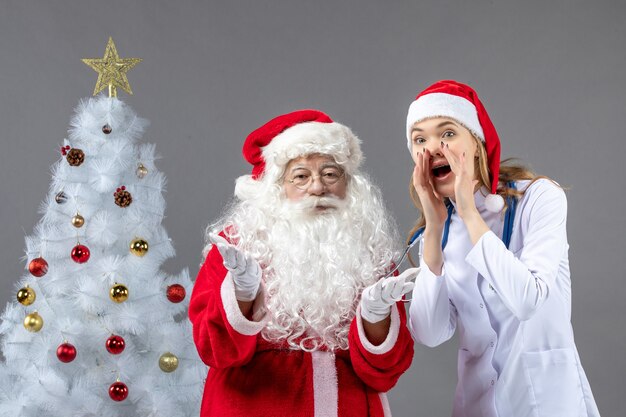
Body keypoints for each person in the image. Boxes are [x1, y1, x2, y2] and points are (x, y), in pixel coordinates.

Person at [189, 109, 416, 417]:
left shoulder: (371, 252)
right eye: (301, 176)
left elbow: (386, 372)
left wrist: (375, 319)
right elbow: (213, 351)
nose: (318, 187)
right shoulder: (235, 248)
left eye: (330, 174)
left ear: (349, 183)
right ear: (276, 186)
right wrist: (242, 296)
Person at [405, 80, 600, 416]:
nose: (434, 147)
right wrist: (434, 229)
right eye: (420, 139)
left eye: (447, 133)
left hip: (547, 401)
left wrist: (468, 212)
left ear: (477, 144)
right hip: (477, 405)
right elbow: (429, 332)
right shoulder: (437, 233)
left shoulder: (538, 198)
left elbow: (527, 300)